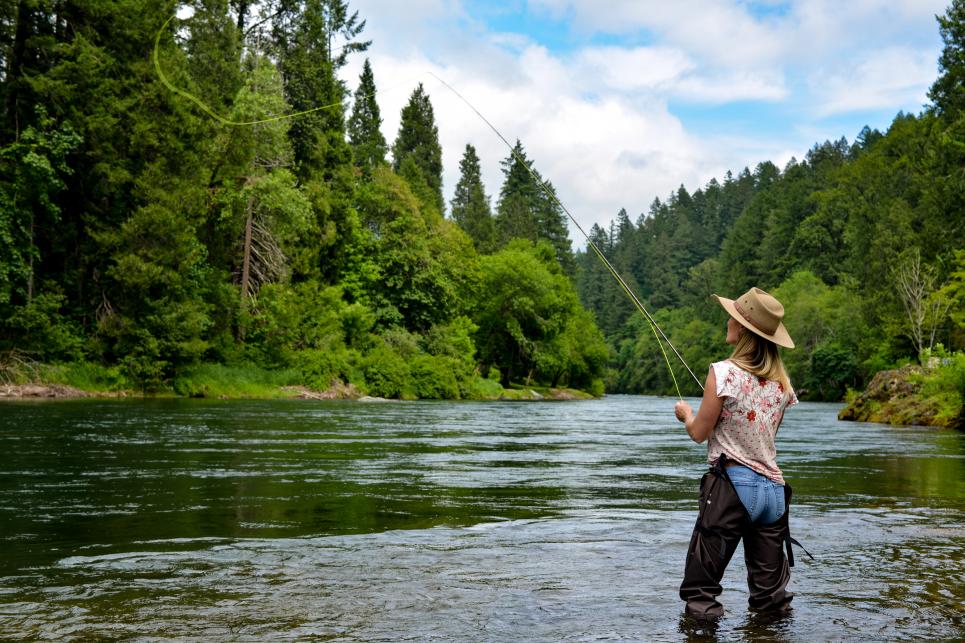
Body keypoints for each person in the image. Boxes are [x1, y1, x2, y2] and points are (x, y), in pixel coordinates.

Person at [673, 286, 801, 619]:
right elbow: (766, 437)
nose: (728, 320)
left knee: (701, 595)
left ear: (742, 328)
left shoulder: (723, 372)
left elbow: (700, 434)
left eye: (732, 316)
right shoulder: (783, 385)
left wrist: (686, 415)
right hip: (774, 494)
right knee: (771, 601)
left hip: (731, 490)